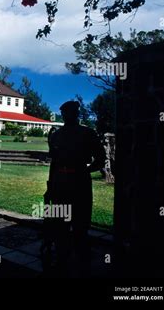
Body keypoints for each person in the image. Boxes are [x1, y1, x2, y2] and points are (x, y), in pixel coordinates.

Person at [46, 100, 105, 276]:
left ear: (76, 113)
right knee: (59, 224)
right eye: (64, 112)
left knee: (80, 223)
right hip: (59, 184)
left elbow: (100, 158)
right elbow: (53, 163)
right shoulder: (56, 135)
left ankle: (82, 260)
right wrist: (50, 186)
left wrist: (85, 170)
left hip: (80, 184)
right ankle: (61, 259)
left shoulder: (88, 133)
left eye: (70, 112)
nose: (67, 115)